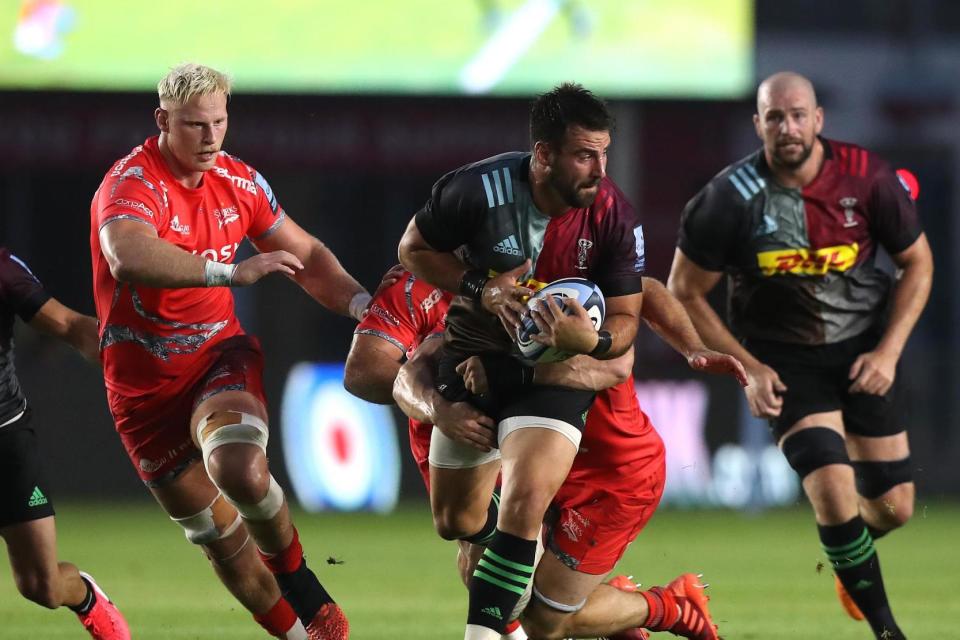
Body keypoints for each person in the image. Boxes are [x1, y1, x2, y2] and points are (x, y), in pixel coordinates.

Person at [397, 82, 738, 639]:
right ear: (544, 154)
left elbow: (624, 329)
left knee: (525, 510)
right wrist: (481, 288)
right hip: (475, 357)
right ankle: (555, 573)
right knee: (456, 522)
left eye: (603, 153)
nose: (599, 169)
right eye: (584, 155)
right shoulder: (477, 191)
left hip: (554, 377)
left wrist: (590, 341)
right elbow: (412, 249)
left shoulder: (613, 217)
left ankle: (499, 598)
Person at [89, 63, 372, 640]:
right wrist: (229, 272)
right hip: (141, 392)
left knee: (240, 466)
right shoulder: (131, 184)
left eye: (220, 122)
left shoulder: (240, 183)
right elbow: (127, 255)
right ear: (162, 121)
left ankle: (300, 579)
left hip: (217, 358)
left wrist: (361, 303)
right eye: (196, 125)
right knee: (231, 557)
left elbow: (307, 255)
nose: (212, 138)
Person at [667, 71, 933, 640]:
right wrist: (749, 367)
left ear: (818, 119)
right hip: (785, 365)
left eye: (797, 115)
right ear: (757, 123)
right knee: (833, 490)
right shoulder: (726, 200)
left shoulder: (869, 179)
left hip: (864, 354)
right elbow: (683, 290)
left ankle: (849, 559)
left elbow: (919, 263)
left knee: (894, 509)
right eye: (774, 117)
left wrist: (889, 351)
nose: (787, 127)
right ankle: (889, 631)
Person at [347, 265, 744, 639]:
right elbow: (365, 370)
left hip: (608, 470)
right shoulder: (422, 278)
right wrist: (438, 393)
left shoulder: (552, 263)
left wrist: (692, 348)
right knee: (476, 557)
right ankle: (602, 599)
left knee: (543, 620)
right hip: (515, 449)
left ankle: (668, 607)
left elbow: (640, 306)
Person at [0, 246, 130, 639]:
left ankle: (86, 597)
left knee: (42, 586)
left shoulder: (3, 270)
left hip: (6, 438)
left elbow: (68, 324)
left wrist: (129, 352)